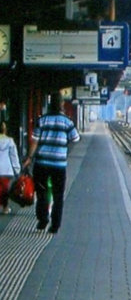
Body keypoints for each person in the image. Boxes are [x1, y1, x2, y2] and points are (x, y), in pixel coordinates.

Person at [24, 92, 81, 233]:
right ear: (61, 104)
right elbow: (75, 139)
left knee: (42, 192)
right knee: (58, 195)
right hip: (59, 165)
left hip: (42, 163)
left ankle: (43, 220)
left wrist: (29, 157)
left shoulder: (42, 120)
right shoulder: (67, 122)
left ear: (50, 104)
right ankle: (55, 226)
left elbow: (35, 141)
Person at [0, 122, 20, 214]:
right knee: (5, 189)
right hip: (6, 169)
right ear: (5, 129)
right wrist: (17, 169)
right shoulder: (10, 141)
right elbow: (14, 156)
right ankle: (5, 208)